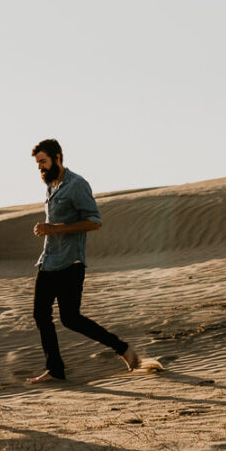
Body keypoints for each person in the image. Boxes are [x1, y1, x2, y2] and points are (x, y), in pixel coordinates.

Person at [28, 138, 141, 384]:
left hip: (71, 264)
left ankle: (123, 349)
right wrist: (48, 231)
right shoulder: (50, 186)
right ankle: (56, 370)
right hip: (48, 262)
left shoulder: (77, 185)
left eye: (44, 162)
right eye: (38, 164)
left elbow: (94, 221)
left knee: (71, 319)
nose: (40, 168)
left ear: (58, 157)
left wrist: (55, 228)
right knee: (40, 315)